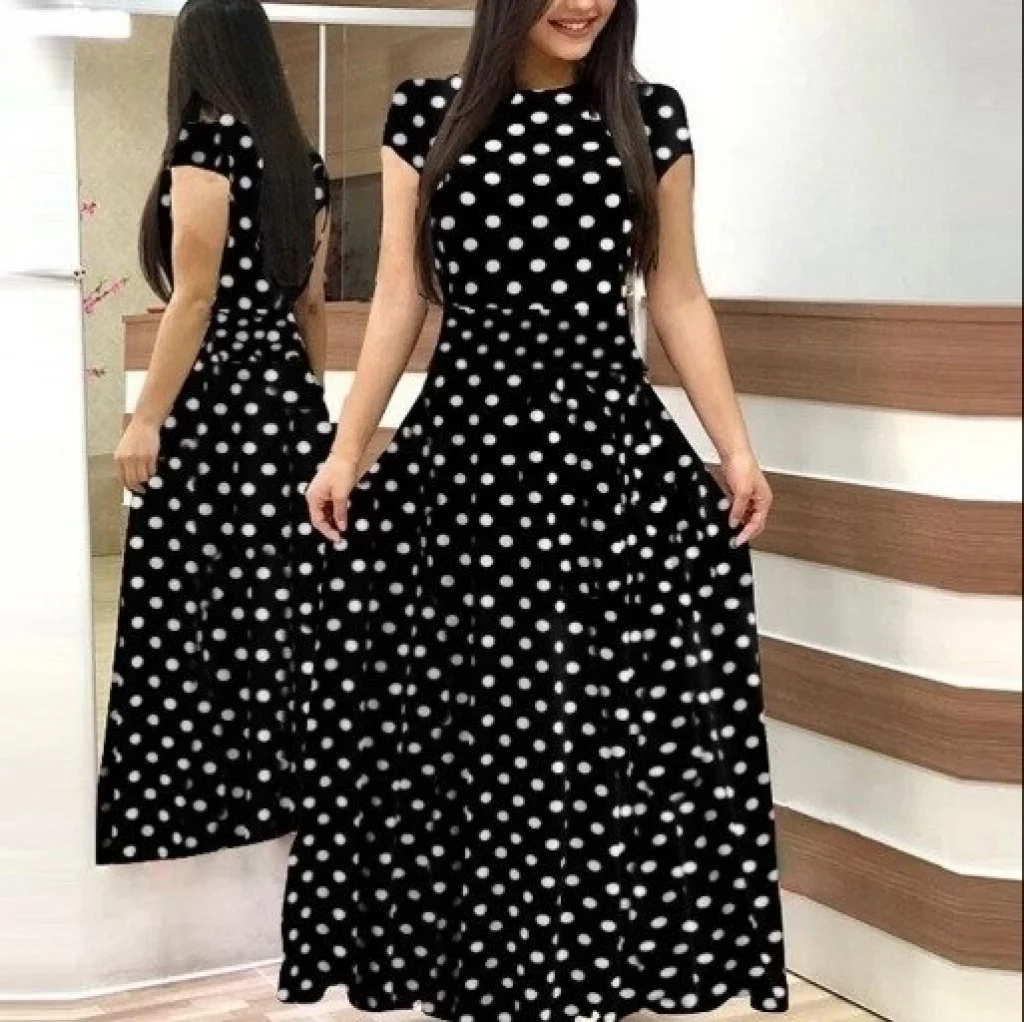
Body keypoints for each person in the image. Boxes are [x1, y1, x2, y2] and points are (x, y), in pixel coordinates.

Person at [280, 0, 788, 1016]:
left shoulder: (650, 115)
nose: (584, 3)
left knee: (595, 721)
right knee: (475, 721)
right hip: (469, 462)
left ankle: (580, 966)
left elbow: (676, 293)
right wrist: (347, 448)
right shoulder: (423, 114)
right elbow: (400, 296)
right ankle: (491, 966)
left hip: (605, 464)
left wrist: (734, 447)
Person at [96, 0, 333, 864]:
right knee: (279, 592)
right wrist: (308, 410)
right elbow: (309, 305)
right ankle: (283, 785)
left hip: (218, 398)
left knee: (192, 589)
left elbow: (194, 298)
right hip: (285, 396)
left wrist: (146, 418)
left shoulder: (206, 146)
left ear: (194, 55)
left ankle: (193, 791)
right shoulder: (302, 162)